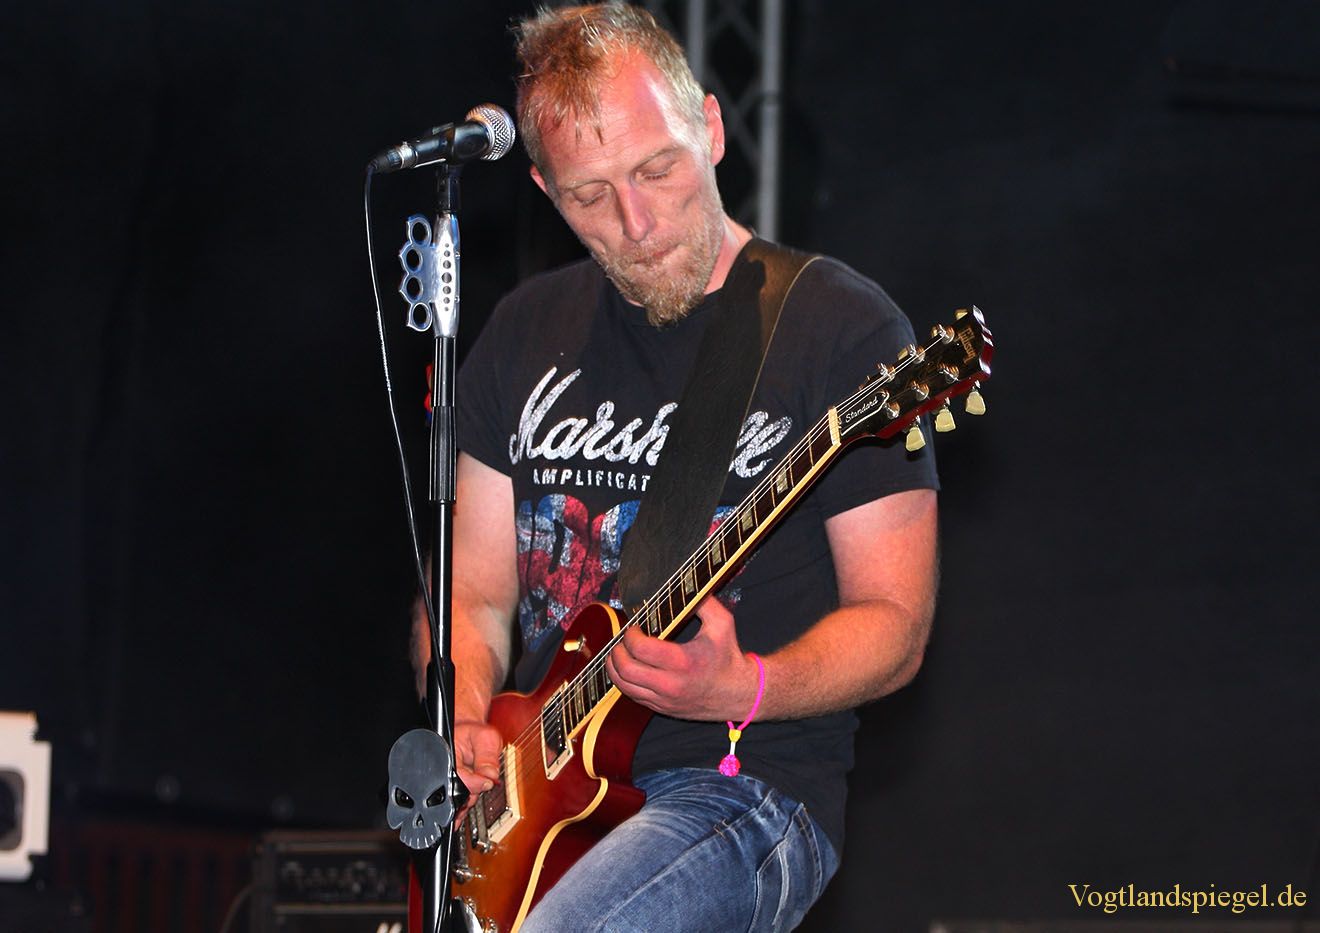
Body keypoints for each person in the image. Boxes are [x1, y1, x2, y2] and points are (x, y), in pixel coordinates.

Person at [414, 5, 939, 930]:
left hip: (743, 785)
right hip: (539, 808)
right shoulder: (522, 332)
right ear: (543, 188)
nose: (637, 221)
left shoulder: (840, 328)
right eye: (590, 195)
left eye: (658, 168)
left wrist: (748, 684)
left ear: (712, 128)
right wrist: (462, 705)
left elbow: (896, 621)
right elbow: (475, 592)